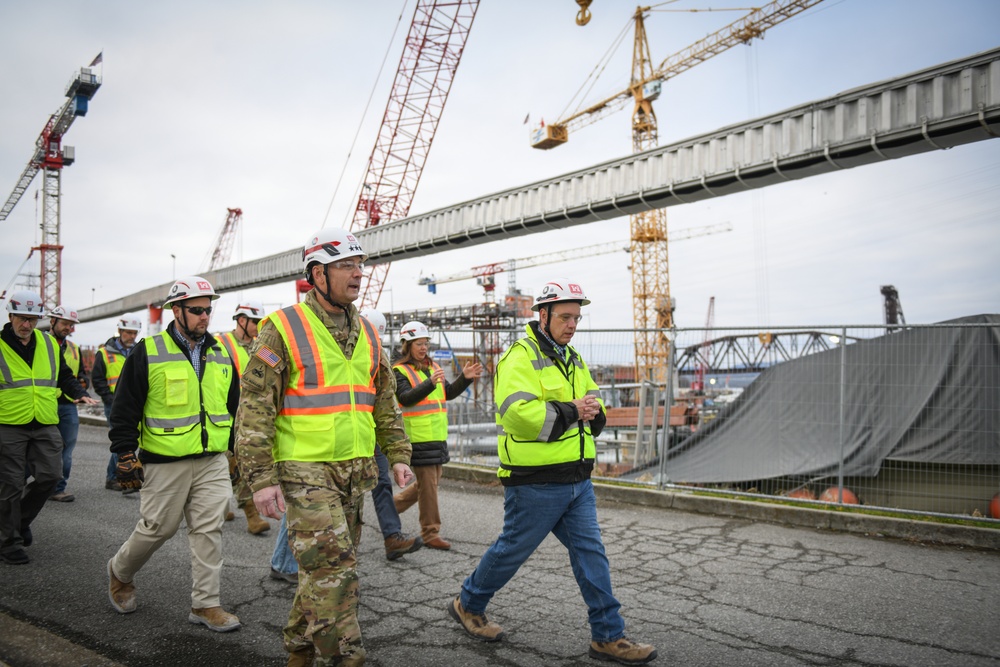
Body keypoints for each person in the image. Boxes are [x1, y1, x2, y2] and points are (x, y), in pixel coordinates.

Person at [448, 279, 657, 665]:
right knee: (512, 550)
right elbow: (516, 415)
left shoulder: (573, 358)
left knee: (592, 555)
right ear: (542, 315)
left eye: (577, 317)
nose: (572, 324)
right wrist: (574, 411)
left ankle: (609, 636)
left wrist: (594, 412)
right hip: (536, 482)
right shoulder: (519, 357)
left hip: (577, 480)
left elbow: (595, 401)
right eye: (565, 317)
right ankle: (468, 602)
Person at [236, 228, 414, 667]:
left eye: (360, 265)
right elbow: (255, 409)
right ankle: (347, 660)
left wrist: (399, 455)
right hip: (303, 471)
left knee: (322, 574)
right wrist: (260, 481)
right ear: (317, 273)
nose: (358, 274)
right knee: (336, 574)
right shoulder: (282, 328)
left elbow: (385, 400)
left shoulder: (370, 332)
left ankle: (298, 653)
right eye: (346, 266)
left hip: (354, 473)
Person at [106, 276, 242, 633]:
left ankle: (205, 604)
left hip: (212, 459)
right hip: (164, 461)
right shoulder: (148, 352)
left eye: (208, 310)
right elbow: (125, 407)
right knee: (157, 529)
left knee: (209, 529)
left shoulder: (220, 353)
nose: (204, 316)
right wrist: (124, 452)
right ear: (176, 311)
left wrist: (233, 450)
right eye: (197, 310)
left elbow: (233, 406)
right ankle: (120, 572)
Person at [1, 291, 97, 565]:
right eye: (22, 319)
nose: (27, 325)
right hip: (8, 423)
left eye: (32, 320)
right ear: (11, 316)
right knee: (9, 484)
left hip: (44, 420)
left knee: (50, 476)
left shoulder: (47, 343)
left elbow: (63, 375)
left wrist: (78, 391)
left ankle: (18, 521)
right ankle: (8, 543)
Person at [392, 320, 481, 550]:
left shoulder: (431, 367)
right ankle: (430, 533)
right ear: (407, 345)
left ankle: (389, 509)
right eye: (418, 344)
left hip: (437, 437)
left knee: (428, 484)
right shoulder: (399, 370)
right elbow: (405, 397)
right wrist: (430, 384)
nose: (423, 348)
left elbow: (448, 393)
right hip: (418, 438)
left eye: (426, 343)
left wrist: (465, 377)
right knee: (428, 487)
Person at [359, 307, 423, 561]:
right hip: (343, 434)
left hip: (372, 432)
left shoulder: (378, 357)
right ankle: (288, 561)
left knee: (382, 484)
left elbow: (386, 402)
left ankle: (392, 537)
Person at [216, 300, 270, 535]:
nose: (259, 326)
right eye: (255, 322)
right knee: (231, 463)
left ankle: (224, 507)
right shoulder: (220, 343)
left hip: (252, 416)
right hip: (225, 414)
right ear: (241, 320)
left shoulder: (262, 345)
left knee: (239, 463)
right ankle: (251, 515)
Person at [92, 317, 142, 492]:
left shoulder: (139, 351)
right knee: (121, 438)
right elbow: (97, 379)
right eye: (128, 332)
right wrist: (108, 397)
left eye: (134, 333)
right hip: (114, 404)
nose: (131, 336)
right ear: (120, 331)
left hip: (134, 403)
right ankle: (115, 478)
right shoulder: (104, 353)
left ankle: (119, 475)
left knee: (133, 438)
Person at [45, 305, 90, 503]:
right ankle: (21, 483)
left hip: (68, 405)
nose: (68, 328)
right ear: (52, 321)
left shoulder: (74, 348)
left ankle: (58, 488)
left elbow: (79, 374)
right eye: (64, 323)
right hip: (45, 403)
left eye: (71, 325)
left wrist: (82, 384)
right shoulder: (40, 344)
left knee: (67, 450)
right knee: (37, 448)